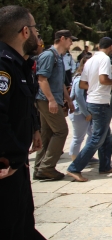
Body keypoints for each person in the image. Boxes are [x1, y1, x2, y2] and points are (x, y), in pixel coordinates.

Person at [0, 5, 45, 240]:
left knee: (23, 221)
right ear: (25, 32)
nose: (39, 36)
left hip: (17, 163)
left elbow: (22, 103)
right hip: (8, 165)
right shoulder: (3, 65)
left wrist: (35, 128)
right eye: (36, 29)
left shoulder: (19, 63)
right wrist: (16, 156)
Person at [67, 37, 112, 182]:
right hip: (100, 103)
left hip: (92, 100)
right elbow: (103, 79)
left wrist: (96, 86)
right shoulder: (104, 59)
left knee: (106, 136)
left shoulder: (90, 60)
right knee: (97, 137)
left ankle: (105, 166)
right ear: (110, 47)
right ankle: (74, 168)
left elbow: (83, 84)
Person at [33, 30, 76, 181]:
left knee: (48, 134)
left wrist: (68, 100)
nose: (72, 43)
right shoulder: (49, 55)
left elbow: (60, 82)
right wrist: (51, 100)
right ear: (62, 39)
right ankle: (47, 167)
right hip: (46, 100)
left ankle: (39, 168)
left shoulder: (59, 57)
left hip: (52, 100)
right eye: (70, 39)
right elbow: (42, 79)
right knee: (61, 131)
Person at [68, 57, 93, 160]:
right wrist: (86, 113)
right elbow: (78, 97)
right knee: (78, 138)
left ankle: (86, 157)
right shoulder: (79, 79)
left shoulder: (85, 78)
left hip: (84, 112)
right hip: (79, 113)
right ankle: (74, 161)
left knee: (92, 135)